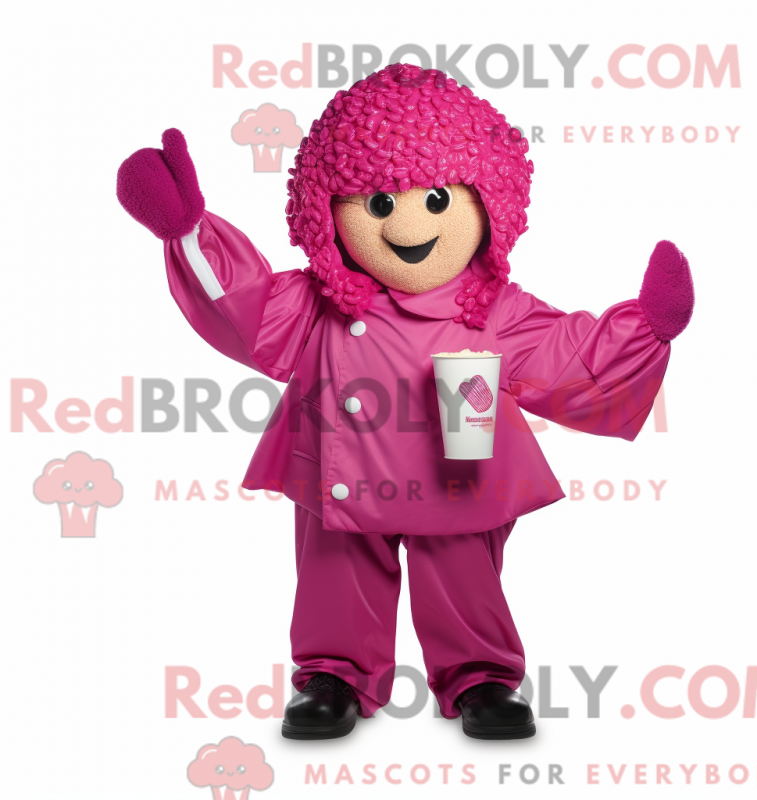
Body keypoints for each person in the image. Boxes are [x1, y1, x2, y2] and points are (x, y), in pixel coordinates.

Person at [116, 63, 694, 740]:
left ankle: (481, 676)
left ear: (489, 202)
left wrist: (645, 329)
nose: (409, 223)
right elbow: (247, 306)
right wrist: (189, 232)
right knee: (337, 568)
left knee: (463, 570)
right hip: (343, 467)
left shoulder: (494, 309)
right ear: (327, 210)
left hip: (460, 466)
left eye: (438, 199)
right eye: (380, 204)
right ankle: (334, 674)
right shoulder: (319, 302)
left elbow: (565, 355)